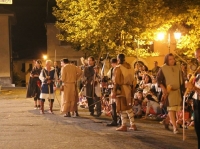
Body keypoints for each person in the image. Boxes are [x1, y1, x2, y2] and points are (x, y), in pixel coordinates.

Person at [157, 53, 184, 134]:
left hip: (178, 90)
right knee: (171, 109)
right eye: (170, 59)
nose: (172, 61)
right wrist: (163, 88)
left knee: (175, 109)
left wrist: (183, 89)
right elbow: (158, 79)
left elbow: (181, 78)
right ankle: (175, 127)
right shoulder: (163, 68)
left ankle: (167, 121)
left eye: (173, 59)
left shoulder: (178, 67)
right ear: (167, 60)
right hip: (169, 91)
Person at [111, 54, 137, 131]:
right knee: (128, 107)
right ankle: (133, 124)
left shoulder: (118, 68)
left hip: (121, 89)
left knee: (122, 108)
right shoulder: (131, 67)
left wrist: (114, 91)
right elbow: (134, 80)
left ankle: (124, 125)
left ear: (118, 59)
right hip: (129, 88)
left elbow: (116, 81)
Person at [187, 48, 200, 149]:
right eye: (197, 57)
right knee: (197, 126)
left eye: (199, 57)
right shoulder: (198, 70)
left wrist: (193, 87)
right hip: (197, 100)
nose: (198, 59)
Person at [106, 58, 119, 126]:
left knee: (117, 105)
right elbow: (109, 78)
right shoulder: (112, 69)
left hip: (117, 89)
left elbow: (116, 81)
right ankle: (115, 120)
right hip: (114, 88)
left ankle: (117, 120)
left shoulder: (117, 69)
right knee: (113, 105)